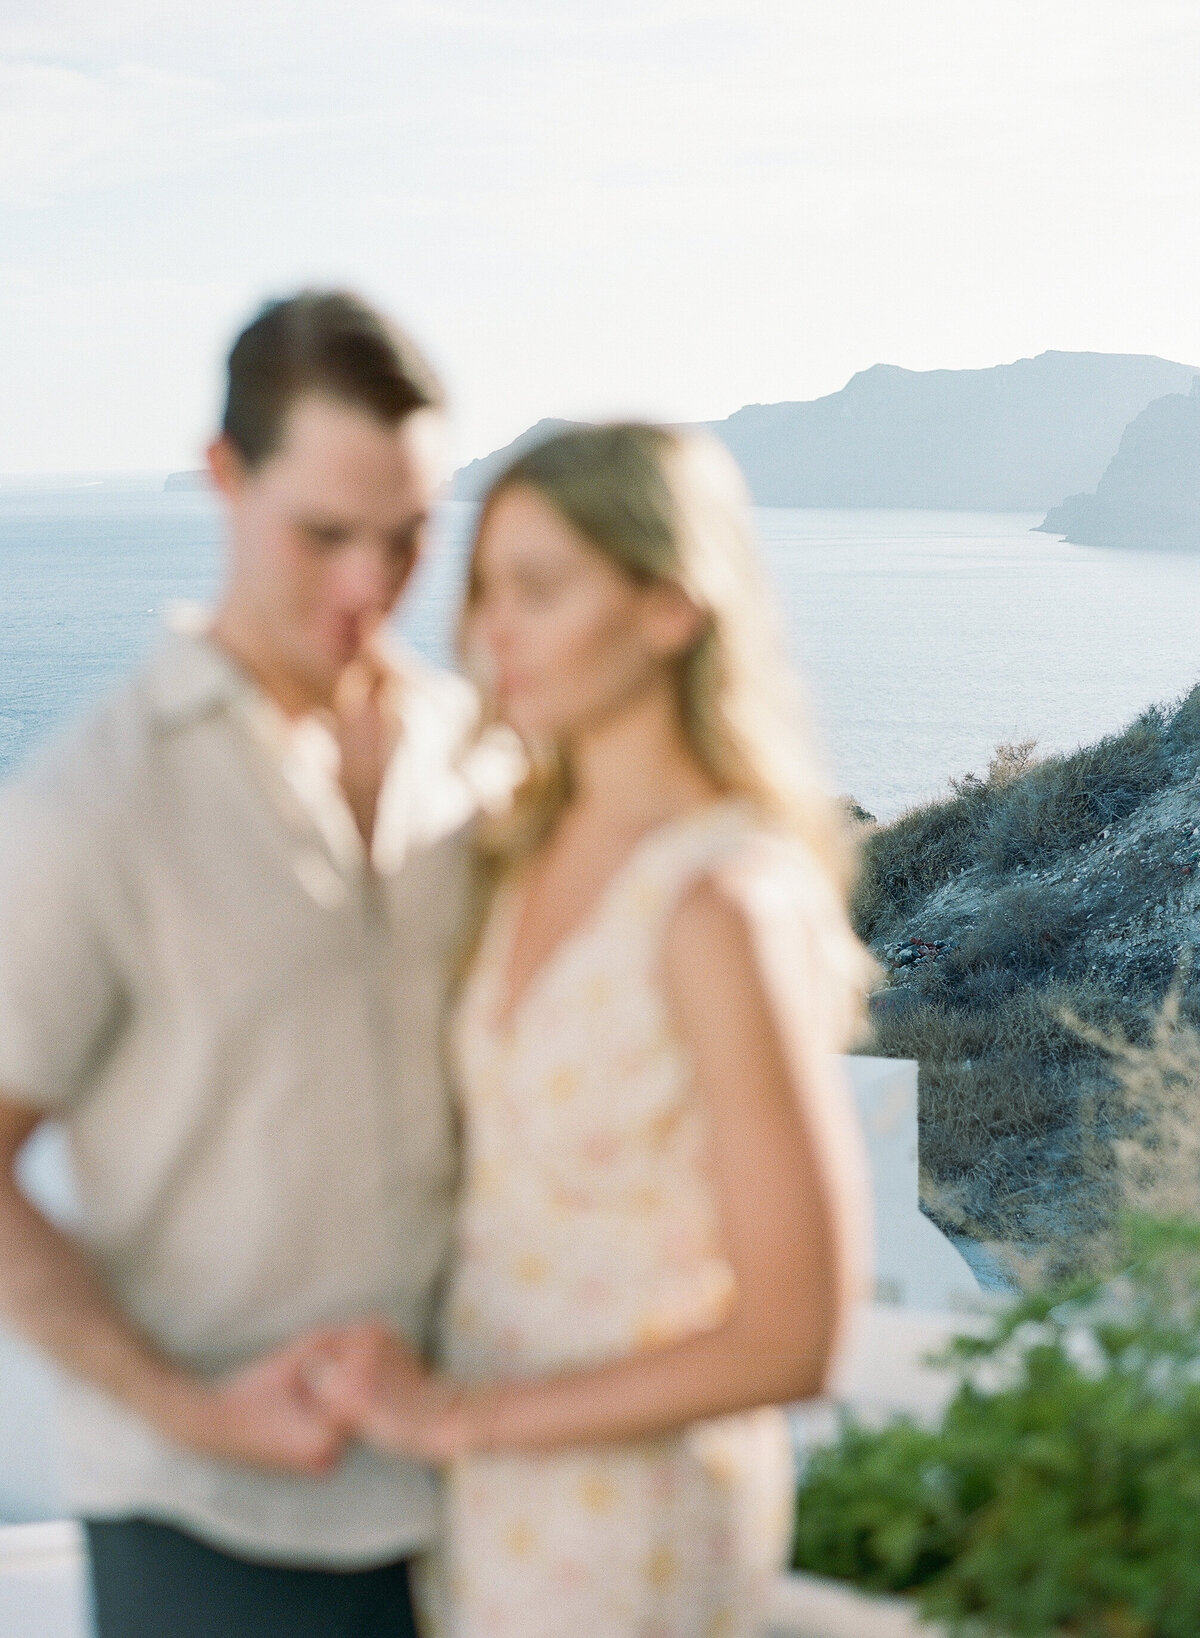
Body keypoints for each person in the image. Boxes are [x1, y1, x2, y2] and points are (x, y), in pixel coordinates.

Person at [310, 422, 875, 1638]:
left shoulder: (721, 903)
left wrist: (458, 1417)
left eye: (540, 588)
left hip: (632, 1521)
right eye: (484, 589)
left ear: (671, 607)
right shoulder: (519, 848)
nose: (492, 629)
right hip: (483, 1510)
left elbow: (799, 1333)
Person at [0, 291, 490, 1638]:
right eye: (324, 534)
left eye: (407, 535)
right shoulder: (94, 802)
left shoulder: (470, 750)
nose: (367, 585)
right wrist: (188, 1407)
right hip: (207, 1519)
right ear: (225, 478)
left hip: (485, 1495)